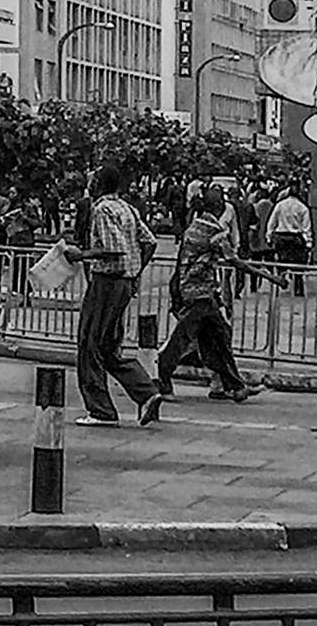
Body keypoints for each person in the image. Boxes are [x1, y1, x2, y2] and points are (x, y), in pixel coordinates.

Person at [68, 165, 165, 428]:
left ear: (98, 184)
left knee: (89, 343)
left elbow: (115, 250)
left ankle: (100, 410)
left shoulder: (102, 209)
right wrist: (135, 273)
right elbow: (150, 242)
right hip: (123, 283)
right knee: (108, 347)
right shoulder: (128, 208)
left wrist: (82, 255)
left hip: (107, 282)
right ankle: (146, 392)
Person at [157, 185, 266, 403]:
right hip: (199, 294)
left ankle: (234, 385)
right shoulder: (214, 231)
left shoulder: (195, 226)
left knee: (216, 338)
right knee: (184, 339)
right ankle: (163, 377)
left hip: (197, 290)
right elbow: (233, 260)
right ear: (219, 207)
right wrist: (267, 276)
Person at [266, 187, 313, 293]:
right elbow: (306, 227)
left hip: (281, 237)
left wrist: (269, 237)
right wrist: (308, 242)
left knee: (281, 266)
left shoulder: (280, 205)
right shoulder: (303, 208)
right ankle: (298, 289)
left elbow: (271, 222)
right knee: (297, 267)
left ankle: (277, 288)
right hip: (295, 239)